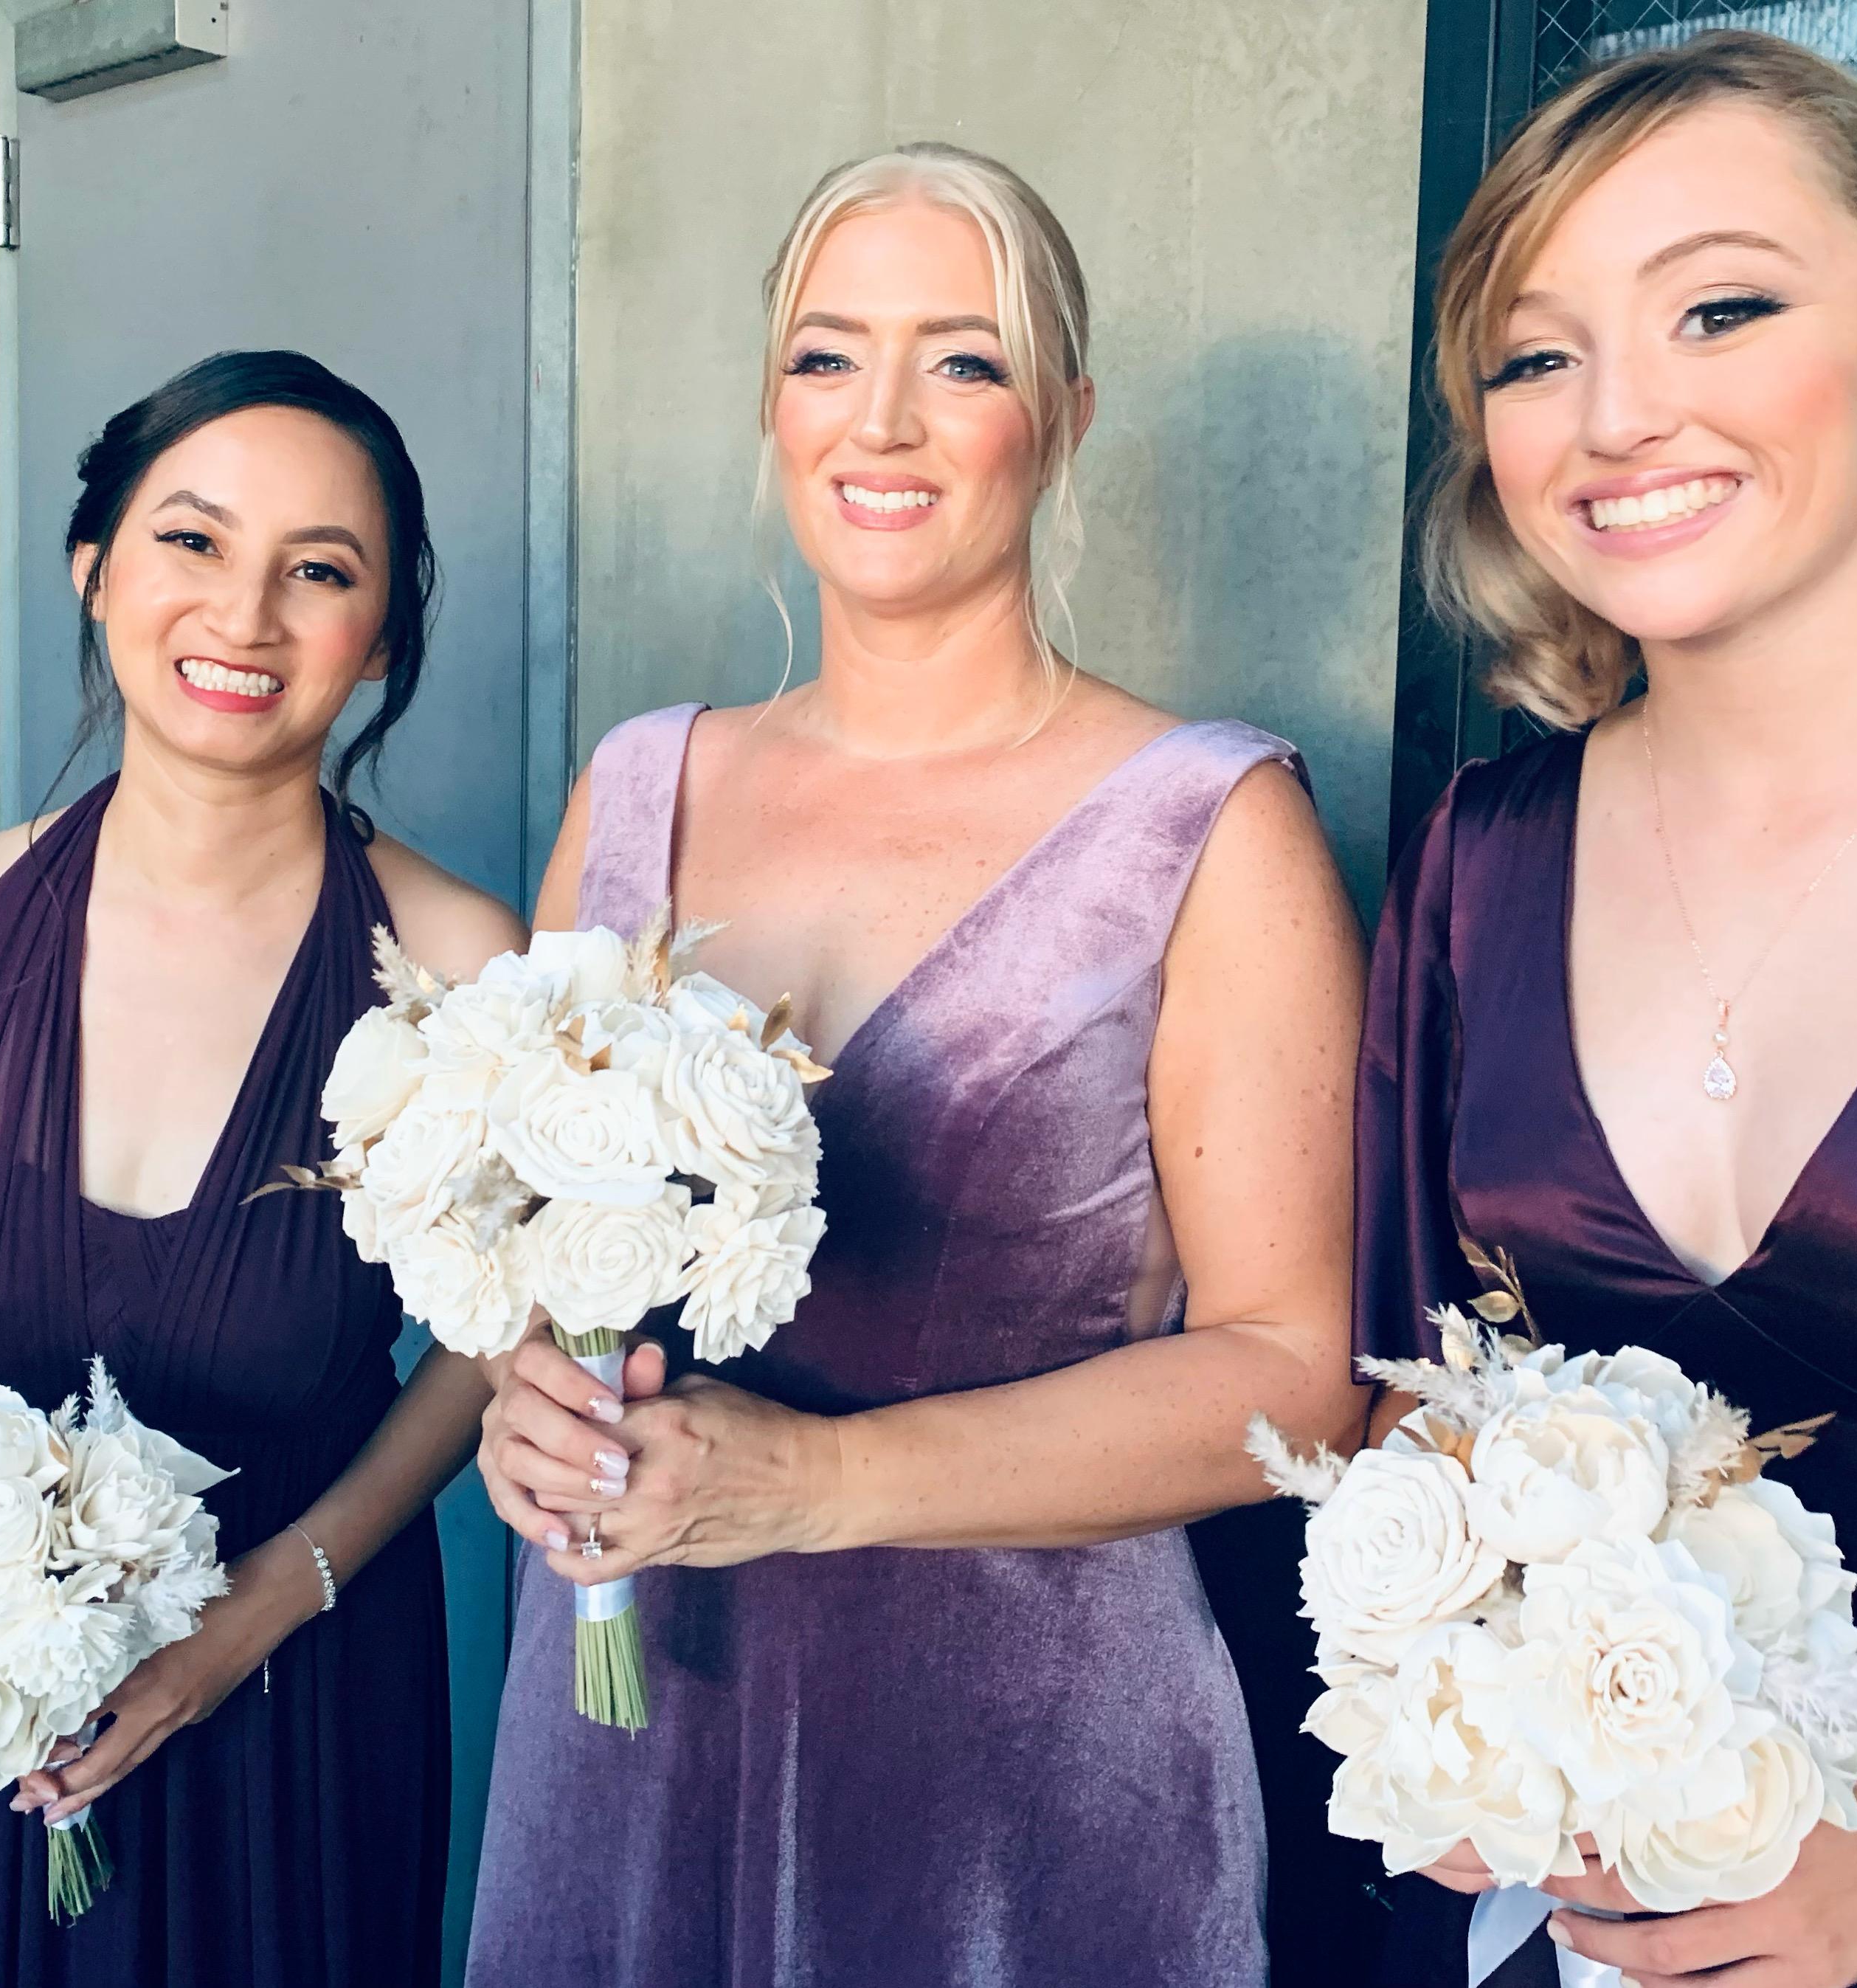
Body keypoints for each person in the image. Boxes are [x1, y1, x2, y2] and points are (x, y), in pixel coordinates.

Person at [467, 142, 1365, 1986]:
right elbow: (535, 1252)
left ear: (1064, 418)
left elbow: (1298, 1376)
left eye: (963, 360)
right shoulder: (632, 786)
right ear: (771, 401)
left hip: (1010, 1775)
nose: (881, 422)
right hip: (628, 1718)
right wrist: (525, 1399)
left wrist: (814, 1485)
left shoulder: (1214, 824)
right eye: (827, 356)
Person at [1358, 30, 1857, 1988]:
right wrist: (1445, 1707)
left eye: (1718, 309)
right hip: (1625, 1937)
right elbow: (1424, 1409)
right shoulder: (1478, 861)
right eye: (1534, 357)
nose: (1616, 415)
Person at [0, 350, 522, 1987]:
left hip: (302, 1702)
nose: (243, 614)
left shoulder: (461, 965)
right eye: (191, 540)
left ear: (382, 639)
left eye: (318, 571)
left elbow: (494, 1337)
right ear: (94, 568)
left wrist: (262, 1606)